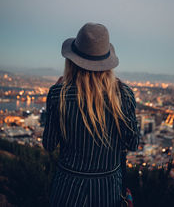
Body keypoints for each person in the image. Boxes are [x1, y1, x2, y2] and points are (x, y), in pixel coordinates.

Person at [42, 22, 140, 207]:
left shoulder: (58, 94)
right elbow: (133, 143)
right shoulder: (124, 94)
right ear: (107, 64)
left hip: (67, 190)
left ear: (71, 61)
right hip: (108, 191)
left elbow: (49, 144)